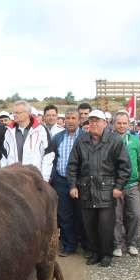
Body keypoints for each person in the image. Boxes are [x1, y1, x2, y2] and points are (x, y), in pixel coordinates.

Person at [67, 109, 130, 267]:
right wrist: (73, 185)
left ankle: (106, 254)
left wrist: (118, 186)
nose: (94, 124)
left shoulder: (115, 140)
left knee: (105, 226)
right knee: (89, 225)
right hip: (86, 189)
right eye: (91, 121)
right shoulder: (81, 140)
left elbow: (125, 167)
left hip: (106, 191)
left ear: (105, 123)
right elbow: (73, 165)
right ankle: (95, 252)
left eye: (97, 121)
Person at [112, 110, 140, 257]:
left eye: (124, 123)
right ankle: (117, 244)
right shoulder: (110, 139)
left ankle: (131, 242)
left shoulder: (134, 140)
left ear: (129, 124)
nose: (121, 126)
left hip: (132, 184)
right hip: (116, 184)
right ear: (114, 124)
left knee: (136, 214)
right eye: (119, 123)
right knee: (116, 216)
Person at [50, 108, 85, 256]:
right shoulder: (57, 137)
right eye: (68, 118)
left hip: (80, 182)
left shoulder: (85, 137)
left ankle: (83, 243)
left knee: (81, 214)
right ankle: (68, 245)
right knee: (64, 215)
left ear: (79, 120)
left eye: (73, 118)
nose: (70, 121)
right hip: (61, 181)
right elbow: (52, 158)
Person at [1, 100, 54, 181]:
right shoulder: (8, 131)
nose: (14, 115)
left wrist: (44, 179)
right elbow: (4, 156)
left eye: (18, 113)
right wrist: (5, 176)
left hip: (34, 178)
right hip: (13, 178)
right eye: (14, 112)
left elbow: (48, 155)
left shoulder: (41, 130)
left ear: (28, 113)